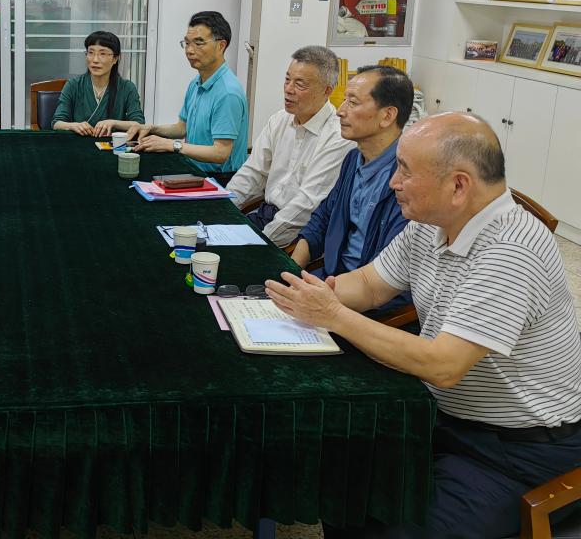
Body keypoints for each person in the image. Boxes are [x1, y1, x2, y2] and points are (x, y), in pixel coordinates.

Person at [265, 112, 581, 539]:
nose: (393, 182)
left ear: (459, 186)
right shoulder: (431, 226)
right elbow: (370, 285)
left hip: (517, 452)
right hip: (444, 419)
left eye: (405, 171)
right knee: (342, 483)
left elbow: (443, 366)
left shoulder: (511, 250)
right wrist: (311, 295)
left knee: (393, 528)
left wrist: (333, 315)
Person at [291, 66, 413, 299]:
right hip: (329, 281)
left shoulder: (406, 179)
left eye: (353, 103)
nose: (340, 111)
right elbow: (322, 219)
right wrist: (291, 269)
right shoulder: (353, 159)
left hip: (370, 301)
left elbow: (388, 274)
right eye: (344, 100)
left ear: (387, 116)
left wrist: (319, 295)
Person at [225, 46, 353, 247]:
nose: (288, 89)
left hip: (298, 236)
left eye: (300, 84)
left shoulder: (337, 137)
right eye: (287, 80)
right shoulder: (280, 120)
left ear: (327, 90)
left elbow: (305, 206)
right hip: (264, 215)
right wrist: (222, 210)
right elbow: (252, 173)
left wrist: (260, 243)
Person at [125, 11, 248, 182]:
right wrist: (152, 129)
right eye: (187, 43)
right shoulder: (196, 82)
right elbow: (182, 128)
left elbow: (220, 153)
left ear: (221, 46)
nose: (189, 50)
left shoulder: (228, 92)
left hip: (220, 179)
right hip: (193, 170)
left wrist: (172, 145)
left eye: (198, 43)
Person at [51, 31, 145, 137]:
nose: (95, 60)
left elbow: (139, 124)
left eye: (102, 54)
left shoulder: (127, 88)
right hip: (79, 143)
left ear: (115, 59)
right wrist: (74, 126)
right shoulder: (73, 85)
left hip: (112, 145)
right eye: (90, 53)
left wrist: (113, 123)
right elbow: (57, 123)